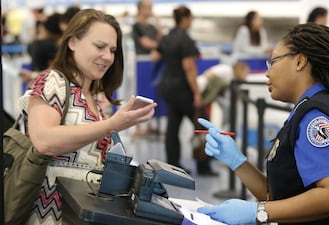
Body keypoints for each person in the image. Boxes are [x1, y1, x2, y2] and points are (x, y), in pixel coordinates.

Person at [197, 23, 329, 225]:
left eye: (273, 62)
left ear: (300, 61)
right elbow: (282, 198)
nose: (268, 73)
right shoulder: (305, 109)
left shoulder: (315, 118)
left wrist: (258, 212)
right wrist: (237, 161)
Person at [17, 9, 157, 225]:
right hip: (48, 214)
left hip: (81, 213)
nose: (108, 57)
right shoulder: (51, 82)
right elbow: (44, 140)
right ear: (73, 42)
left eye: (112, 50)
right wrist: (111, 125)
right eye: (99, 47)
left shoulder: (95, 98)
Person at [152, 5, 216, 176]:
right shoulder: (186, 40)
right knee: (203, 125)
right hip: (183, 90)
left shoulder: (168, 37)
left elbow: (155, 56)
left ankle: (173, 166)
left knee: (173, 127)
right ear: (186, 19)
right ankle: (204, 166)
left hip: (168, 88)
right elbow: (189, 68)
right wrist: (196, 93)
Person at [132, 0, 163, 136]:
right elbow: (146, 43)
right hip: (141, 64)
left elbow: (160, 39)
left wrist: (158, 23)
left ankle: (150, 123)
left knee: (151, 94)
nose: (150, 10)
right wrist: (158, 46)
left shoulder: (151, 27)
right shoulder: (136, 26)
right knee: (141, 94)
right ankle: (138, 127)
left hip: (153, 64)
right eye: (148, 7)